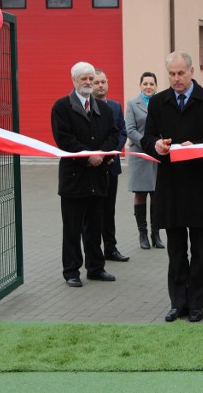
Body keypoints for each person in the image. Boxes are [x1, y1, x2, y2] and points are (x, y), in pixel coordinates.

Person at [141, 52, 203, 323]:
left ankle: (197, 304)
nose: (176, 79)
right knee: (175, 249)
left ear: (191, 71)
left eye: (181, 73)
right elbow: (146, 138)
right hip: (170, 186)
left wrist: (197, 146)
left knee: (200, 250)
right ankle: (178, 303)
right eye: (172, 74)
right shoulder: (157, 102)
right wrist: (155, 145)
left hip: (199, 185)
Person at [51, 61, 120, 287]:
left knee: (95, 227)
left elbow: (113, 135)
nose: (89, 82)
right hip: (74, 178)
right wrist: (87, 156)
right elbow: (64, 139)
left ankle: (96, 268)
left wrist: (102, 155)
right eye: (84, 79)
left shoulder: (105, 109)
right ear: (74, 81)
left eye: (91, 78)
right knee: (72, 228)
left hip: (99, 177)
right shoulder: (62, 107)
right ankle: (71, 271)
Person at [92, 68, 130, 262]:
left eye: (103, 82)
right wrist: (103, 155)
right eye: (97, 82)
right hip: (93, 167)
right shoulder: (87, 107)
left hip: (112, 166)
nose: (100, 85)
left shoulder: (115, 107)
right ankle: (94, 252)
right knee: (94, 212)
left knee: (109, 210)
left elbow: (122, 132)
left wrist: (113, 152)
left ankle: (111, 249)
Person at [125, 72, 165, 250]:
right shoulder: (132, 104)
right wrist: (148, 144)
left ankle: (155, 234)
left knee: (157, 195)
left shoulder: (162, 103)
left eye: (152, 84)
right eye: (145, 83)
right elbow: (130, 130)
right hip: (140, 155)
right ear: (140, 85)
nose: (149, 87)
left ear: (156, 86)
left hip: (158, 155)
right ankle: (143, 234)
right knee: (140, 194)